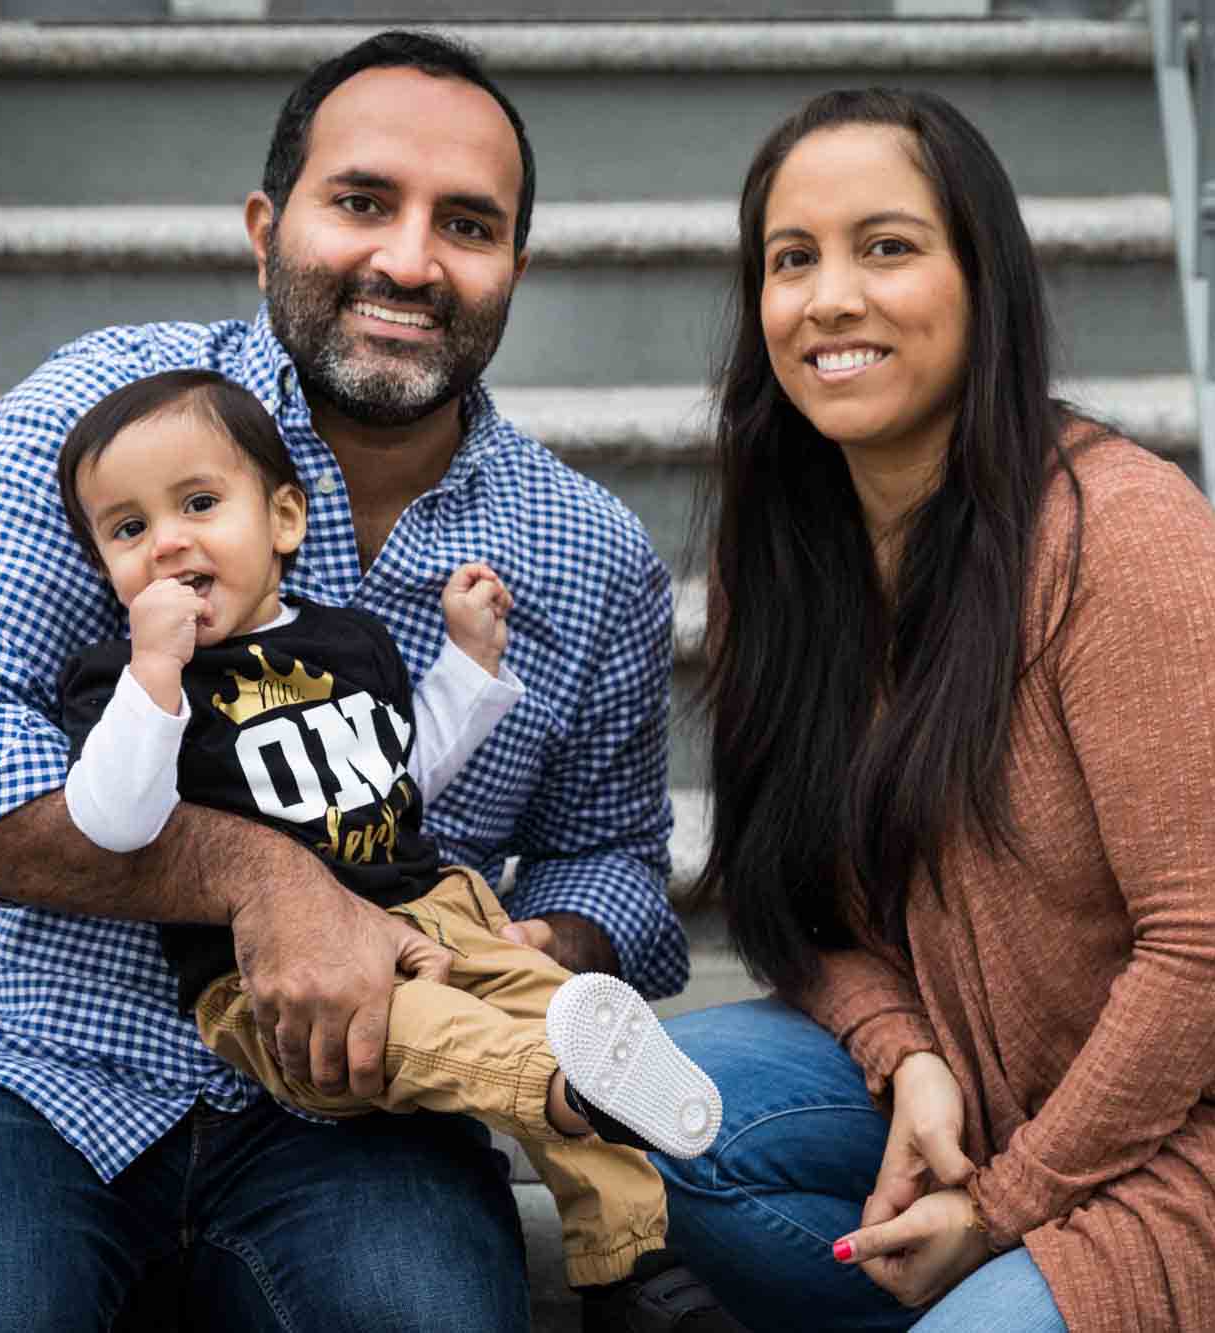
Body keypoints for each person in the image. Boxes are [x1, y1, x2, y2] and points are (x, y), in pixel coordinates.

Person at [0, 29, 738, 1332]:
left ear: (515, 270)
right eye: (362, 202)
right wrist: (264, 880)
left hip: (368, 1105)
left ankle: (608, 1193)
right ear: (268, 225)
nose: (409, 260)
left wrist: (543, 948)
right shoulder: (105, 424)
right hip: (24, 1064)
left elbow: (608, 854)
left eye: (468, 225)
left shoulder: (588, 552)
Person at [650, 88, 1215, 1333]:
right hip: (1001, 1073)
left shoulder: (1119, 537)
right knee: (671, 1112)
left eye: (886, 247)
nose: (829, 300)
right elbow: (796, 905)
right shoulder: (793, 552)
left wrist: (999, 1207)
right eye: (790, 259)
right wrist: (904, 1050)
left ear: (985, 282)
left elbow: (1213, 946)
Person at [53, 365, 721, 1293]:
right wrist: (153, 670)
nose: (168, 544)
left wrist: (469, 665)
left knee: (559, 1007)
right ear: (106, 566)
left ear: (283, 519)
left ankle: (634, 1262)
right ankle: (570, 1089)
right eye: (129, 530)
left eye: (200, 503)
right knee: (442, 1035)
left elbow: (399, 773)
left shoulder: (350, 641)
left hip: (440, 906)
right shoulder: (122, 684)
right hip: (270, 978)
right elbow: (113, 822)